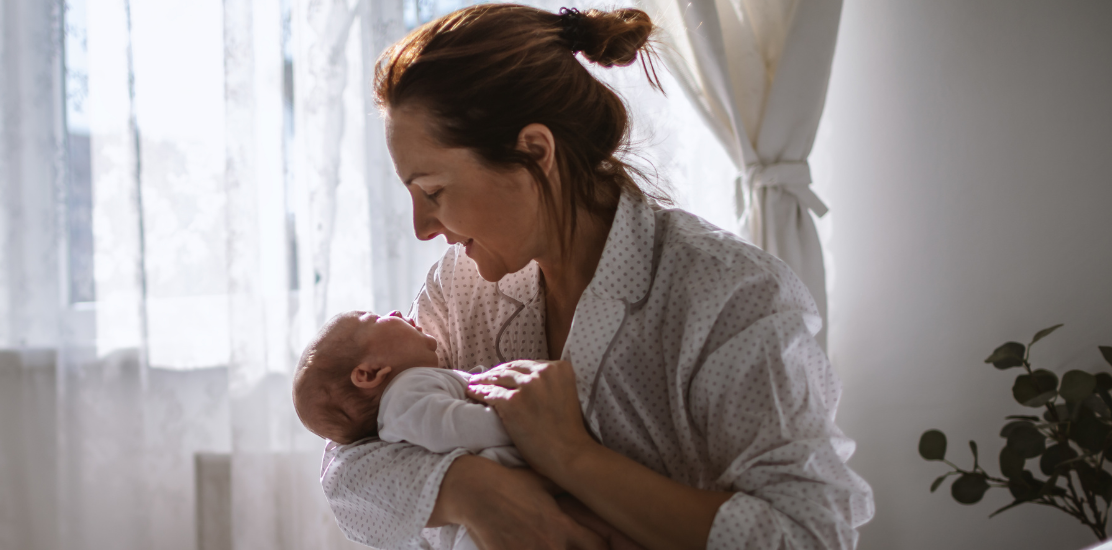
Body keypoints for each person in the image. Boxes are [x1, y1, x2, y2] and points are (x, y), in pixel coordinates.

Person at [318, 5, 874, 550]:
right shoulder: (459, 288)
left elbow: (810, 534)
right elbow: (348, 462)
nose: (421, 228)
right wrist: (473, 492)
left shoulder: (729, 295)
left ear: (534, 151)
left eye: (433, 191)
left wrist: (572, 456)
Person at [294, 310, 642, 550]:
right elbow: (453, 427)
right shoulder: (405, 393)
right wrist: (522, 423)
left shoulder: (409, 392)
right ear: (369, 373)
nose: (396, 312)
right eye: (374, 318)